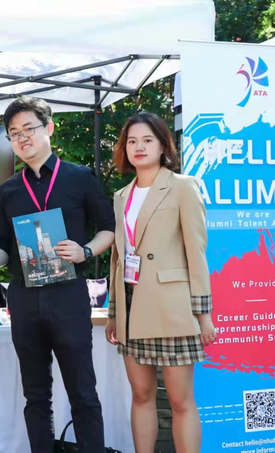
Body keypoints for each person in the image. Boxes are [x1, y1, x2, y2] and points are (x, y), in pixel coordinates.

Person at [0, 96, 115, 453]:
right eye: (14, 133)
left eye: (29, 129)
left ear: (49, 129)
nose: (23, 138)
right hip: (25, 301)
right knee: (35, 395)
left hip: (69, 297)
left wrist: (85, 250)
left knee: (83, 392)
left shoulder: (79, 177)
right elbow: (2, 246)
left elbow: (109, 229)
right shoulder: (8, 190)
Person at [105, 111, 216, 453]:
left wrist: (204, 313)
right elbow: (118, 258)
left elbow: (197, 253)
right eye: (132, 141)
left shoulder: (183, 186)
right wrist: (113, 312)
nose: (138, 147)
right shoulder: (121, 195)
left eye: (147, 140)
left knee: (181, 401)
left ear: (164, 145)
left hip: (172, 309)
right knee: (140, 396)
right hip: (131, 306)